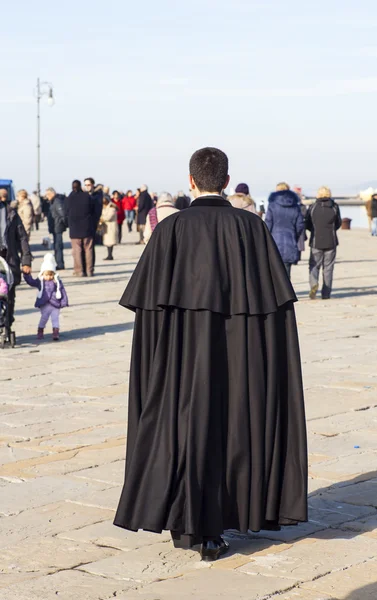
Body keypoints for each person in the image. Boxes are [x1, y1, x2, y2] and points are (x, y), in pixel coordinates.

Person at [114, 147, 308, 562]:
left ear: (191, 181)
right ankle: (218, 524)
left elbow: (149, 316)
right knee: (233, 430)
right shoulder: (251, 228)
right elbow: (274, 313)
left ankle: (187, 522)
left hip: (180, 363)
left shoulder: (169, 230)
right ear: (225, 179)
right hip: (240, 362)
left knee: (183, 431)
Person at [0, 188, 32, 327]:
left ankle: (7, 321)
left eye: (5, 196)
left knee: (9, 294)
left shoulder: (12, 213)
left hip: (9, 258)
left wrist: (26, 261)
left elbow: (22, 238)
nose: (3, 198)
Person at [306, 186, 342, 300]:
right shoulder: (334, 206)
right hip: (331, 241)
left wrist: (314, 230)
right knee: (328, 268)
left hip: (316, 241)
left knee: (314, 266)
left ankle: (314, 284)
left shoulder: (313, 207)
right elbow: (338, 222)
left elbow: (307, 222)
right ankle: (326, 293)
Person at [23, 253, 68, 341]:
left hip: (55, 303)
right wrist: (26, 275)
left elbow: (62, 291)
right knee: (44, 318)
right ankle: (40, 330)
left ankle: (56, 332)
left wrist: (64, 301)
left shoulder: (57, 282)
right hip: (45, 304)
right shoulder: (40, 281)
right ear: (42, 274)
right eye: (46, 275)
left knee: (55, 318)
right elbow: (32, 282)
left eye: (50, 275)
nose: (48, 277)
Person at [265, 183, 304, 279]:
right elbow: (300, 225)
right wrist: (294, 235)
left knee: (273, 273)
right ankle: (286, 293)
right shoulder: (295, 206)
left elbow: (268, 223)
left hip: (274, 242)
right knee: (286, 273)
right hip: (290, 242)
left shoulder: (272, 205)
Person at [66, 180, 95, 277]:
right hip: (87, 226)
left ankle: (79, 271)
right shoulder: (87, 196)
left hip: (74, 228)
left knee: (77, 250)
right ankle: (89, 270)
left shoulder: (70, 197)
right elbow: (93, 210)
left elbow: (66, 211)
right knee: (88, 249)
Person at [45, 188, 67, 271]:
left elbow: (62, 214)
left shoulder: (57, 201)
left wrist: (61, 224)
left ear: (51, 194)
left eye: (47, 195)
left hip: (57, 227)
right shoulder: (52, 202)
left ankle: (60, 264)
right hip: (55, 227)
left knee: (58, 246)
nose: (47, 197)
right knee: (56, 246)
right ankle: (59, 263)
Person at [84, 178, 103, 267]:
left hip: (92, 223)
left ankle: (91, 265)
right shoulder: (84, 194)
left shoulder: (97, 195)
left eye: (88, 185)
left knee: (91, 245)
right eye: (85, 185)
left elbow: (97, 210)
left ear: (92, 185)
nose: (87, 187)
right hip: (84, 223)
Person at [101, 196, 118, 260]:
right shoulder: (104, 207)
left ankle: (110, 255)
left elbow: (109, 217)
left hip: (111, 227)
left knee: (110, 242)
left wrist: (101, 219)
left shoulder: (112, 207)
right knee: (107, 242)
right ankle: (109, 255)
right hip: (106, 227)